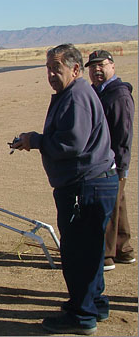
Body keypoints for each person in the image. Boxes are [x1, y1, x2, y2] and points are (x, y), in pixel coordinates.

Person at [12, 43, 118, 335]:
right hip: (89, 184)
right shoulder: (72, 94)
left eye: (56, 69)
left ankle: (82, 316)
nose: (50, 75)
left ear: (74, 69)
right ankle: (94, 303)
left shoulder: (77, 97)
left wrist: (36, 140)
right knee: (90, 250)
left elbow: (72, 144)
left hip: (86, 187)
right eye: (47, 69)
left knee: (78, 254)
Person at [85, 49, 135, 271]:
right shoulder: (98, 92)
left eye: (101, 65)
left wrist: (121, 166)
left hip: (112, 161)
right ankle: (124, 250)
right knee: (118, 203)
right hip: (104, 158)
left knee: (108, 206)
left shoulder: (119, 94)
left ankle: (105, 255)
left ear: (112, 66)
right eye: (93, 66)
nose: (97, 70)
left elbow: (123, 133)